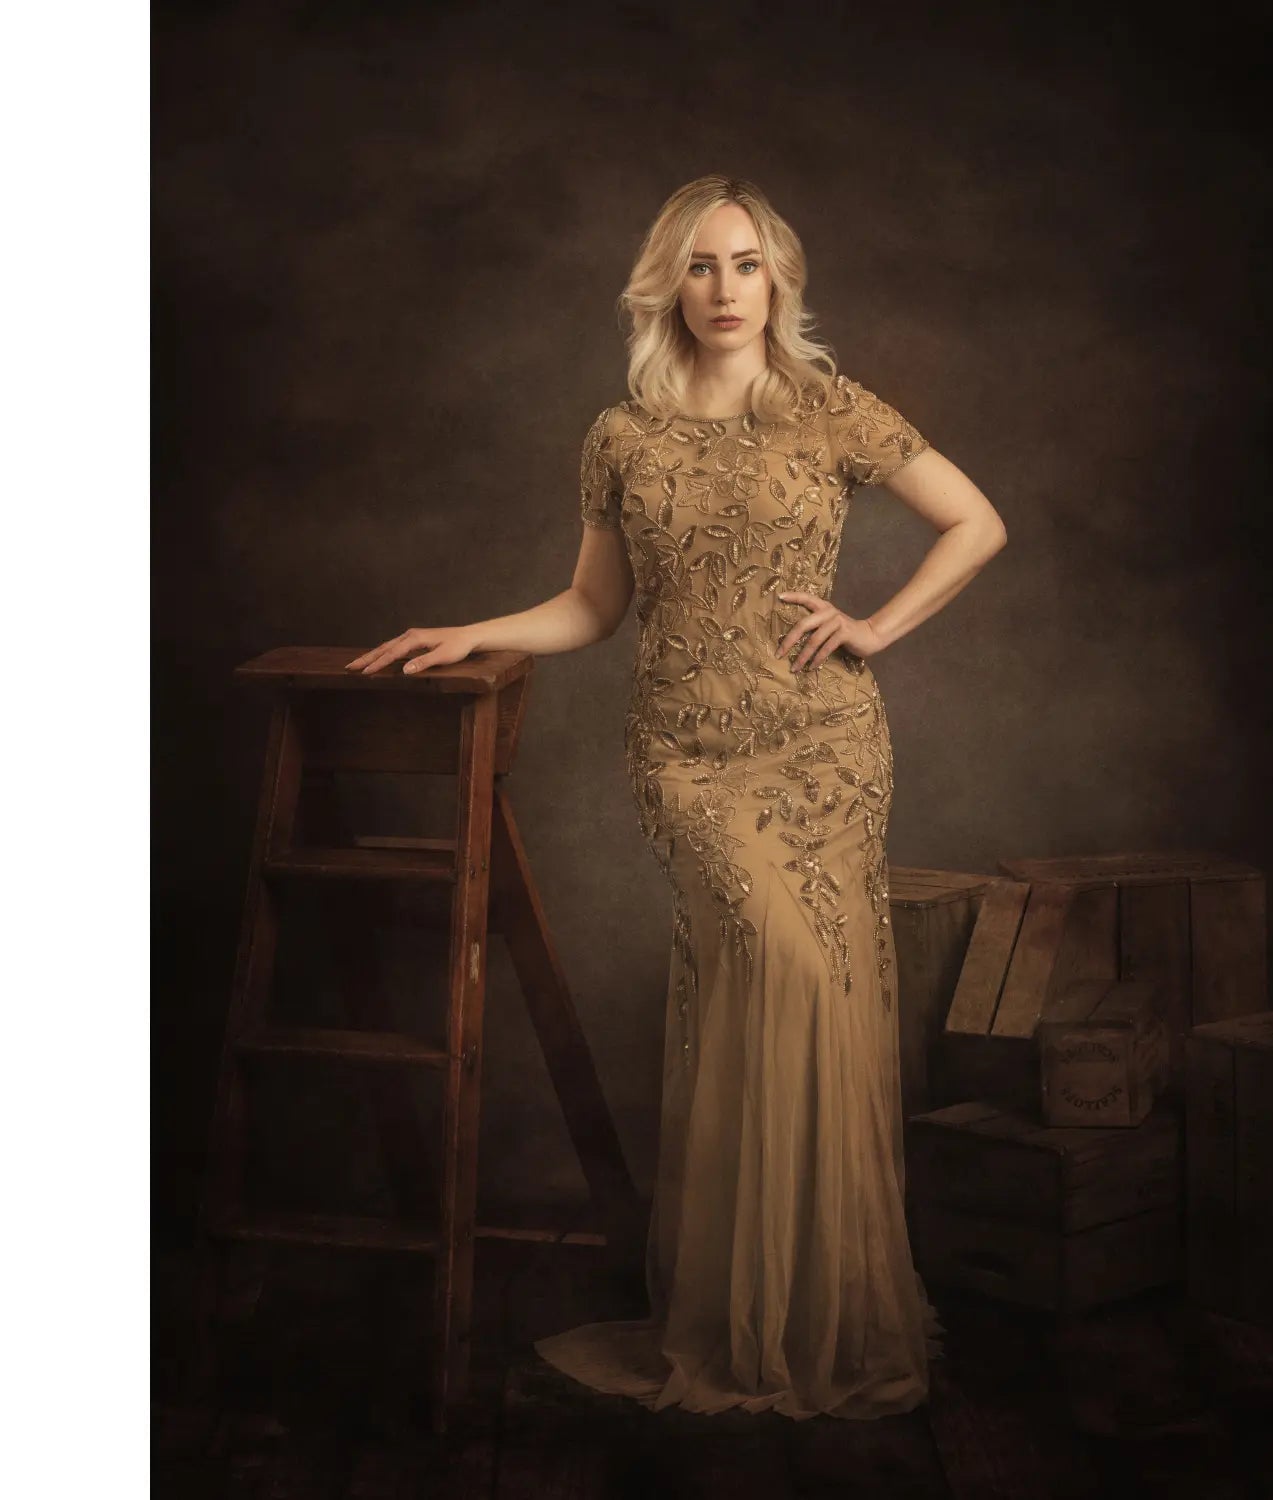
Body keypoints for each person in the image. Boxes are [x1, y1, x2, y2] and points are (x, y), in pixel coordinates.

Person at [346, 174, 1008, 1420]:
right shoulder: (622, 434)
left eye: (746, 265)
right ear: (669, 283)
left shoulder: (830, 411)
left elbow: (976, 523)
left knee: (822, 1002)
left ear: (779, 282)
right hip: (690, 760)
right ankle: (744, 1317)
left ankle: (821, 1323)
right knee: (775, 976)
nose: (724, 289)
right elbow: (594, 607)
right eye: (701, 266)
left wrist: (875, 624)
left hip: (828, 750)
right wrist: (464, 627)